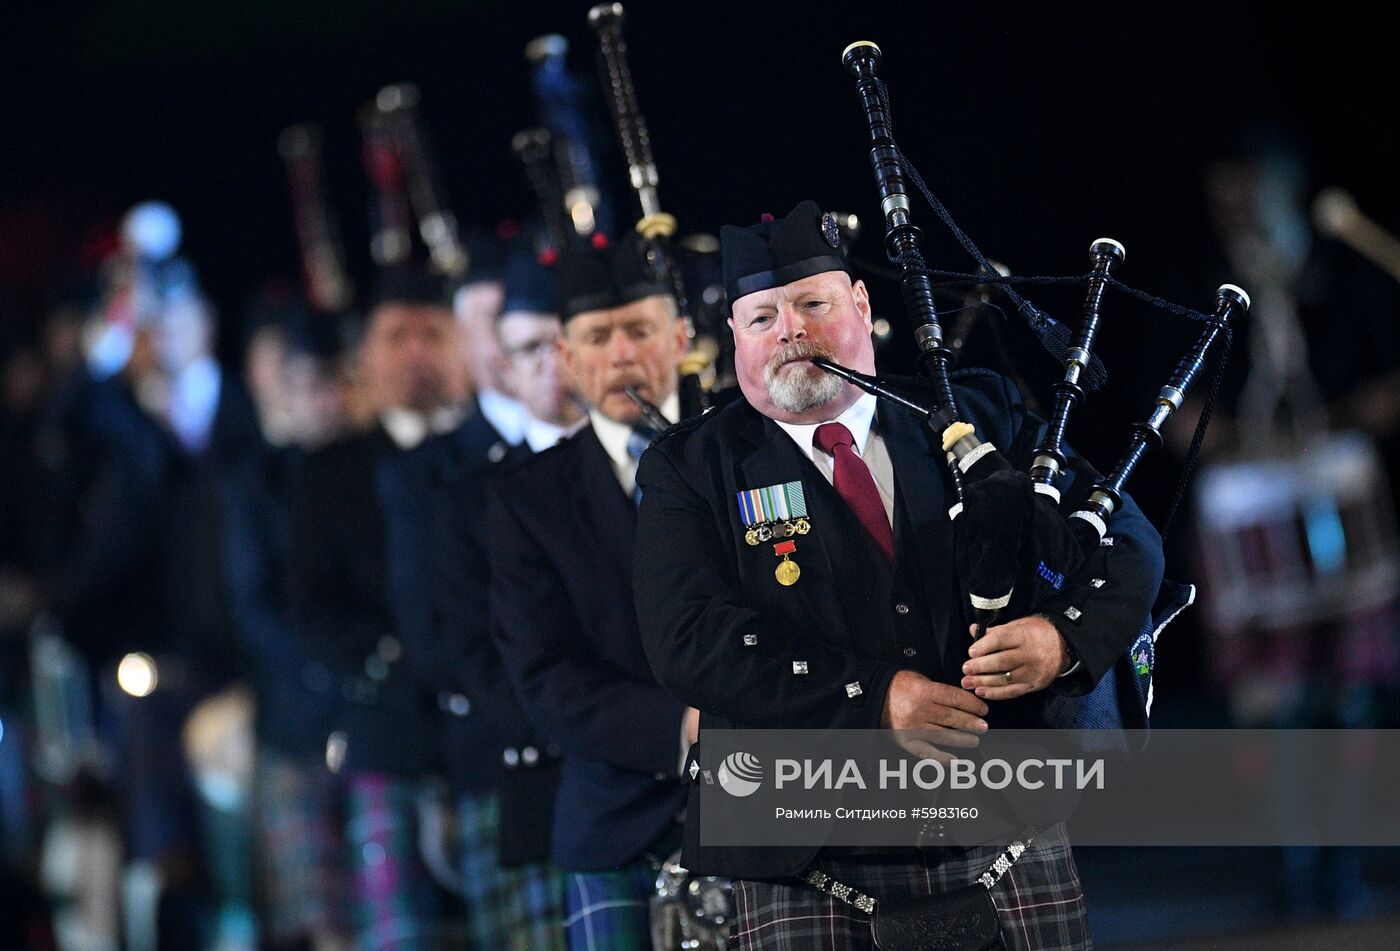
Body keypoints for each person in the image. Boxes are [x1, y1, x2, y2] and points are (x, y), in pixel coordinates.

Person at [632, 201, 1165, 949]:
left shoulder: (976, 412)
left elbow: (1124, 534)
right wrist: (874, 698)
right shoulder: (689, 469)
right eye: (762, 318)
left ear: (861, 303)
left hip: (999, 828)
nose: (790, 330)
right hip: (801, 853)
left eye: (812, 304)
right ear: (736, 340)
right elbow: (688, 640)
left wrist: (1063, 638)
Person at [486, 233, 699, 951]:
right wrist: (685, 727)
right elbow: (543, 676)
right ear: (568, 358)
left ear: (680, 337)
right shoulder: (527, 500)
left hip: (764, 796)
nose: (620, 354)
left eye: (639, 329)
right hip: (617, 813)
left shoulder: (747, 457)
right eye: (596, 337)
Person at [377, 248, 582, 950]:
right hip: (517, 757)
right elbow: (447, 644)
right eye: (496, 329)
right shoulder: (444, 483)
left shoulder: (641, 452)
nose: (513, 348)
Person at [287, 267, 466, 951]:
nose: (415, 350)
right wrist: (396, 661)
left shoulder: (492, 451)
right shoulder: (329, 471)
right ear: (365, 355)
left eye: (431, 332)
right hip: (389, 733)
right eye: (397, 335)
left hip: (499, 740)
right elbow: (311, 607)